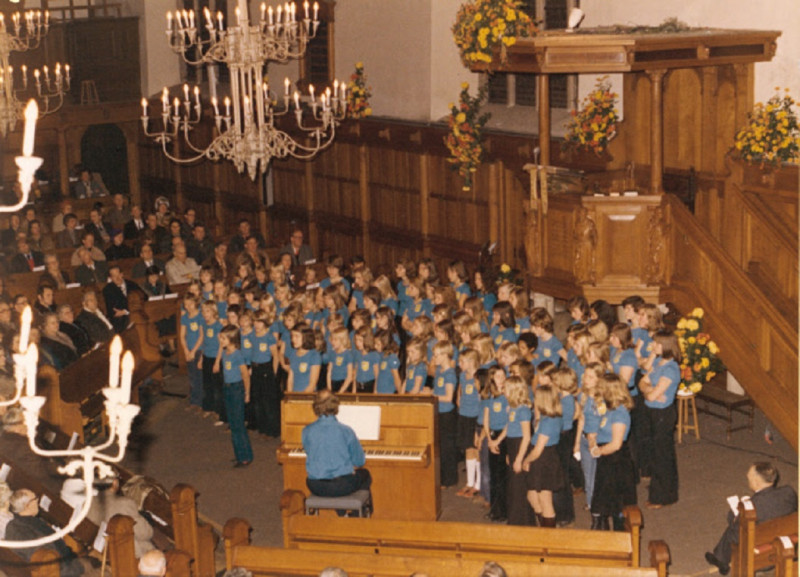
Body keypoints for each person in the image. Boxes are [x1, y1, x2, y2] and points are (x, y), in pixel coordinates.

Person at [705, 462, 798, 575]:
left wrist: (734, 514)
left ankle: (721, 560)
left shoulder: (754, 505)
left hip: (758, 550)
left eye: (749, 477)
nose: (747, 478)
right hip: (786, 541)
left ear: (756, 482)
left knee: (733, 530)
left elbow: (736, 530)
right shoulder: (789, 492)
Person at [590, 373, 638, 531]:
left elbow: (616, 444)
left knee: (618, 505)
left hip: (616, 461)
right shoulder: (610, 409)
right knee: (604, 502)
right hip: (607, 460)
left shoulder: (620, 413)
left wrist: (598, 451)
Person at [638, 330, 680, 508]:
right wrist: (648, 390)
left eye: (656, 343)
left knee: (663, 455)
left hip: (663, 415)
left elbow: (652, 394)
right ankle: (658, 485)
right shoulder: (657, 361)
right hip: (652, 412)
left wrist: (649, 390)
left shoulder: (671, 369)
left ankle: (664, 496)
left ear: (665, 346)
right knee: (655, 452)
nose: (652, 346)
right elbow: (642, 382)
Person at [301, 389, 371, 498]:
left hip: (315, 485)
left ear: (315, 406)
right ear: (335, 406)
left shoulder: (307, 431)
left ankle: (342, 512)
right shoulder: (346, 431)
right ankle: (356, 512)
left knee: (336, 485)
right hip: (341, 485)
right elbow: (360, 461)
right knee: (365, 474)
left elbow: (310, 452)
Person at [5, 488, 85, 576]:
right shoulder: (30, 524)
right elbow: (49, 553)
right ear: (28, 505)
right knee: (90, 565)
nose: (37, 501)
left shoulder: (14, 524)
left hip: (40, 565)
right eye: (35, 499)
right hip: (58, 569)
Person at [522, 383, 565, 528]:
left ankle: (549, 533)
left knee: (545, 499)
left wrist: (526, 460)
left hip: (544, 460)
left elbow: (538, 450)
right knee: (532, 496)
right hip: (542, 459)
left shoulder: (549, 421)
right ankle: (543, 525)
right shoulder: (546, 417)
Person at [89, 472, 155, 558]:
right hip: (129, 555)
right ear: (115, 483)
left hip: (103, 550)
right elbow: (145, 534)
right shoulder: (124, 504)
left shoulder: (88, 503)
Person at [219, 325, 254, 467]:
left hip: (236, 389)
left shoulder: (238, 355)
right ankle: (239, 455)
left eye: (223, 338)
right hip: (228, 388)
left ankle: (245, 456)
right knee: (233, 424)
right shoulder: (224, 353)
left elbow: (245, 375)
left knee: (239, 424)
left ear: (232, 339)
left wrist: (247, 392)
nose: (220, 340)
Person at [103, 265, 142, 333]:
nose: (117, 278)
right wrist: (127, 310)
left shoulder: (132, 284)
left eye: (119, 275)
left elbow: (144, 297)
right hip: (121, 320)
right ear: (110, 278)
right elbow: (113, 310)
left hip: (136, 314)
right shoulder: (108, 290)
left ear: (122, 274)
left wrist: (126, 311)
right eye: (114, 276)